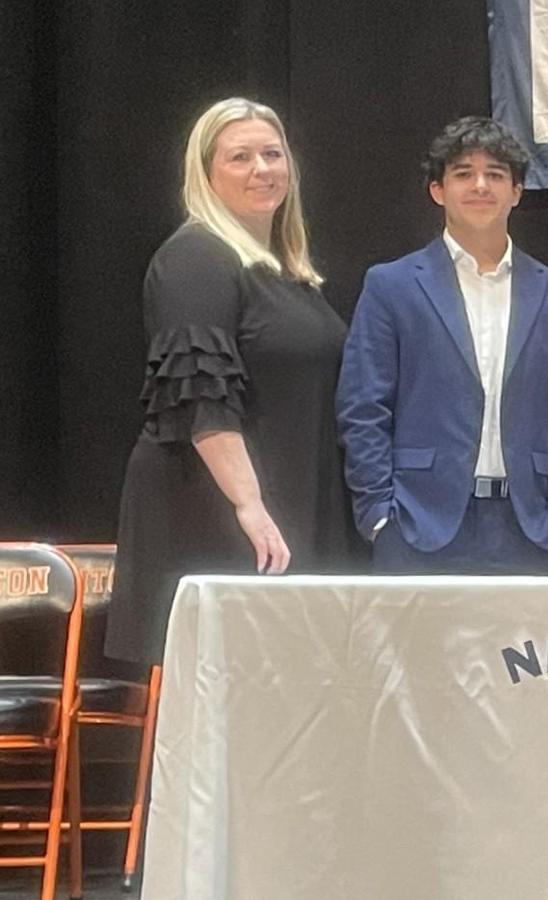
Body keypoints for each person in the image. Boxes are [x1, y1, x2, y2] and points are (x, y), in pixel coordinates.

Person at [109, 97, 359, 664]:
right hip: (217, 510)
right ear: (206, 173)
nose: (261, 169)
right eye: (240, 157)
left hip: (280, 503)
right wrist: (249, 504)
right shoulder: (196, 257)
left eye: (272, 154)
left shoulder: (284, 271)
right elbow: (201, 395)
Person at [337, 117, 548, 575]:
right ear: (438, 190)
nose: (480, 185)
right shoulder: (391, 286)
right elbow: (363, 408)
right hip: (417, 525)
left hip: (529, 529)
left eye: (495, 174)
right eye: (463, 174)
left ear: (516, 192)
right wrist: (379, 515)